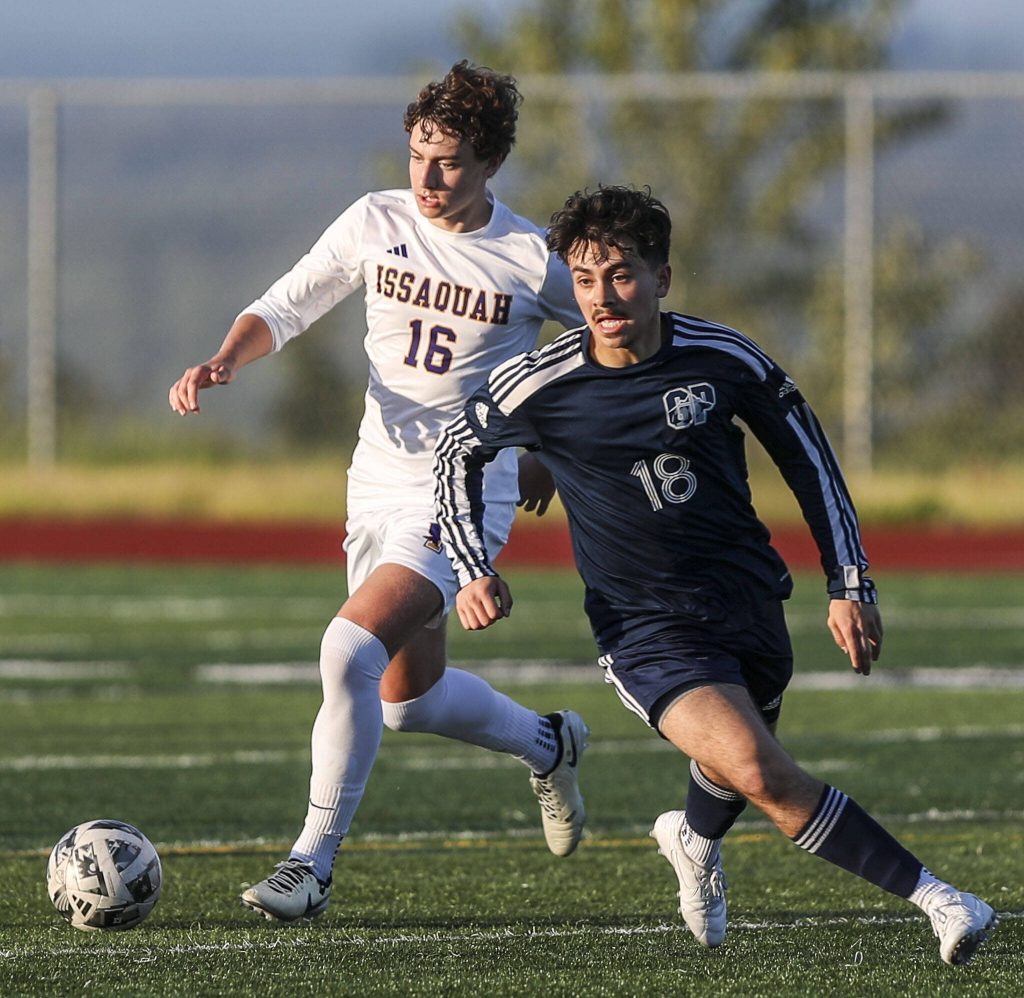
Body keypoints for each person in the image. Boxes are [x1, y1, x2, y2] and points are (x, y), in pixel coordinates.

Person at [433, 185, 998, 966]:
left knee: (736, 758)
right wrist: (470, 566)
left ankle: (692, 839)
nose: (602, 297)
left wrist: (850, 584)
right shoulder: (544, 382)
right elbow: (454, 451)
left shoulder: (724, 357)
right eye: (586, 279)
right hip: (645, 629)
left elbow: (812, 463)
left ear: (662, 278)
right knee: (760, 767)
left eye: (623, 274)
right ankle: (942, 900)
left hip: (748, 597)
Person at [168, 61, 589, 923]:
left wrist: (549, 449)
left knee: (345, 653)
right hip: (376, 483)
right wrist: (224, 359)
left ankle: (310, 864)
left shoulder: (529, 257)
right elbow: (286, 304)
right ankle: (549, 743)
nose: (427, 179)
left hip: (465, 495)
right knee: (407, 701)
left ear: (491, 162)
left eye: (449, 163)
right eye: (417, 157)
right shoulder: (377, 220)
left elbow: (609, 355)